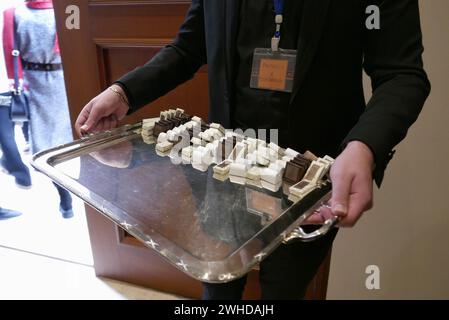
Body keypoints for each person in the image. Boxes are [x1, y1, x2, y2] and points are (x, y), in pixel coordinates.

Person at [75, 0, 430, 299]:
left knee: (284, 287)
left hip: (307, 184)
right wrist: (124, 92)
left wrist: (363, 146)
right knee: (217, 287)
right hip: (221, 172)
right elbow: (189, 47)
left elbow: (402, 74)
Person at [4, 0, 74, 218]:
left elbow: (77, 40)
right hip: (40, 84)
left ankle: (65, 195)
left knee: (56, 144)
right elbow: (10, 52)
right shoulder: (13, 13)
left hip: (59, 82)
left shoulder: (70, 10)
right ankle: (65, 196)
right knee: (48, 146)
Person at [0, 0, 31, 188]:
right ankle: (17, 169)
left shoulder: (13, 12)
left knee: (5, 129)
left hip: (9, 82)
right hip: (9, 81)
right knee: (5, 130)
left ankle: (18, 169)